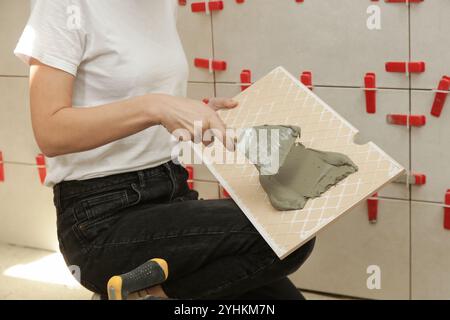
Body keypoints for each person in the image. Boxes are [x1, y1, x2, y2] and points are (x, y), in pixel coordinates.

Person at [14, 0, 315, 299]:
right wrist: (155, 106)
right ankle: (152, 295)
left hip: (171, 191)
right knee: (285, 238)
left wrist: (192, 114)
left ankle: (148, 292)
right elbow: (50, 132)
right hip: (100, 219)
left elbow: (135, 100)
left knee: (288, 245)